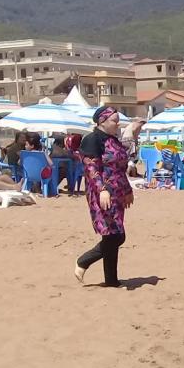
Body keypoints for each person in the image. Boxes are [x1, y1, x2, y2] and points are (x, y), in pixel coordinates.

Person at [75, 105, 144, 287]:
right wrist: (102, 190)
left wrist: (127, 190)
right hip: (102, 192)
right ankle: (83, 261)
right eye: (114, 120)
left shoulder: (113, 140)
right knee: (116, 236)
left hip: (118, 192)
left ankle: (111, 280)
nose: (117, 124)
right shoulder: (92, 139)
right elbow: (91, 167)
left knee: (113, 235)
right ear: (101, 121)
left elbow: (121, 167)